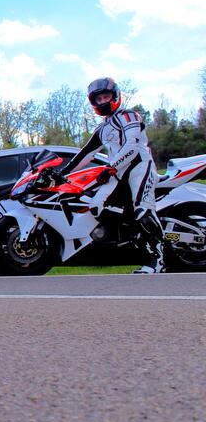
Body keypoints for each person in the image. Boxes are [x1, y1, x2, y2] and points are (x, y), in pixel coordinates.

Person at [57, 77, 163, 274]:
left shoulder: (129, 116)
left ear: (115, 96)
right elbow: (85, 154)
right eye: (99, 99)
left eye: (106, 96)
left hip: (140, 166)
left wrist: (111, 166)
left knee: (142, 210)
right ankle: (127, 241)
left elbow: (132, 145)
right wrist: (61, 173)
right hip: (117, 171)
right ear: (93, 102)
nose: (103, 101)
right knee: (96, 205)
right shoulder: (102, 128)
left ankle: (157, 259)